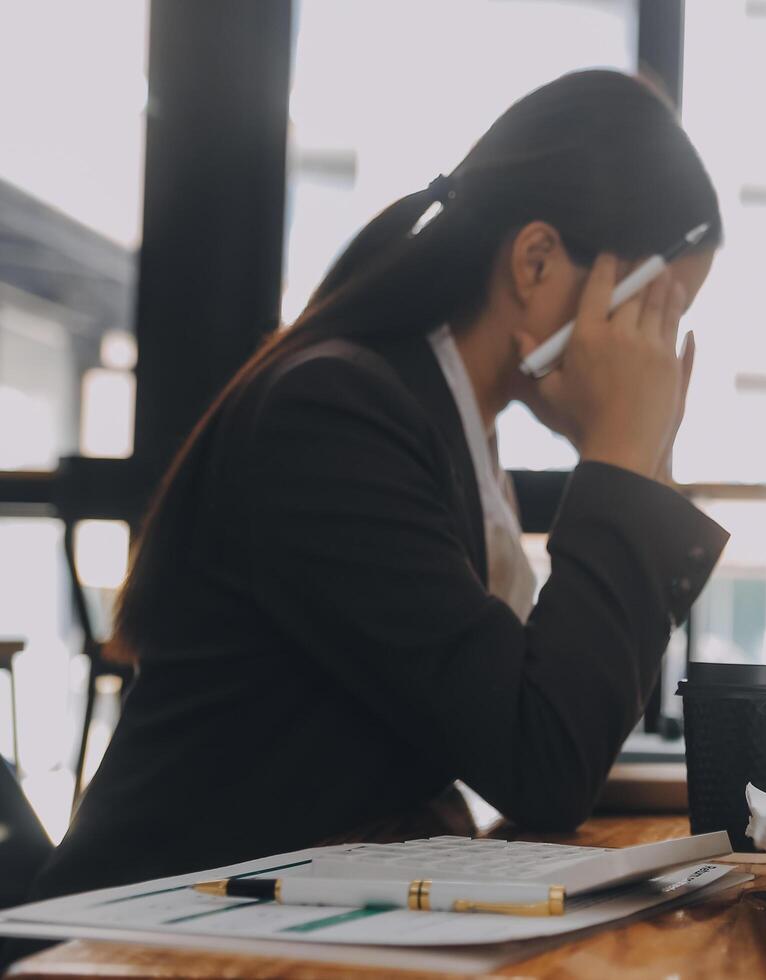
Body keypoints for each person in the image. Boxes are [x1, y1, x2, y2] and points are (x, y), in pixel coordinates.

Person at [29, 69, 728, 900]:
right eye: (657, 311)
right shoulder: (335, 415)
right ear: (537, 262)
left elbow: (557, 723)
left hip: (286, 913)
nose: (659, 353)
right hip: (147, 935)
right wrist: (621, 457)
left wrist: (636, 463)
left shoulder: (458, 431)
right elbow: (544, 759)